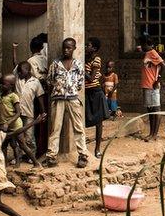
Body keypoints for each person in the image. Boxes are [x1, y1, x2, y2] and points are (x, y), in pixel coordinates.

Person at [44, 37, 90, 168]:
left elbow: (80, 83)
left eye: (69, 47)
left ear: (74, 48)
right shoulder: (55, 64)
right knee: (55, 128)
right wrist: (59, 90)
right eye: (64, 47)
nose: (66, 50)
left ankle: (83, 155)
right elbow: (49, 81)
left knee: (78, 128)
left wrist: (70, 90)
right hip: (58, 99)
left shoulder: (78, 65)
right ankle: (51, 156)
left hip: (73, 99)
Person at [0, 75, 38, 167]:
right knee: (4, 145)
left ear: (11, 85)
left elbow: (18, 113)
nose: (0, 85)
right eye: (0, 83)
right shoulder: (0, 96)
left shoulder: (13, 96)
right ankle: (4, 164)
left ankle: (36, 163)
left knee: (22, 144)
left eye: (3, 84)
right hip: (3, 125)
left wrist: (8, 123)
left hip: (15, 125)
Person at [137, 35, 165, 141]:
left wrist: (157, 80)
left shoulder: (153, 53)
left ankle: (154, 134)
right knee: (150, 110)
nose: (141, 46)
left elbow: (164, 66)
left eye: (142, 44)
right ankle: (151, 133)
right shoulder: (147, 53)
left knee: (156, 109)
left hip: (152, 85)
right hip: (146, 85)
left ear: (146, 44)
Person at [15, 61, 44, 158]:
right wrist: (14, 49)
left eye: (21, 71)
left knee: (29, 137)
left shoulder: (35, 82)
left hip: (28, 113)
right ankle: (18, 156)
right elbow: (15, 63)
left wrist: (43, 112)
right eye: (18, 71)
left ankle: (32, 156)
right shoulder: (18, 79)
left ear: (28, 71)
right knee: (18, 135)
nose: (19, 73)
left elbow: (40, 97)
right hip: (17, 114)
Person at [83, 37, 107, 158]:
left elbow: (91, 78)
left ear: (94, 48)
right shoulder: (84, 58)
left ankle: (97, 149)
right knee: (84, 120)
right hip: (86, 93)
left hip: (96, 92)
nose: (86, 47)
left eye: (88, 45)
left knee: (98, 122)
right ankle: (83, 149)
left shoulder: (97, 60)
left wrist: (81, 69)